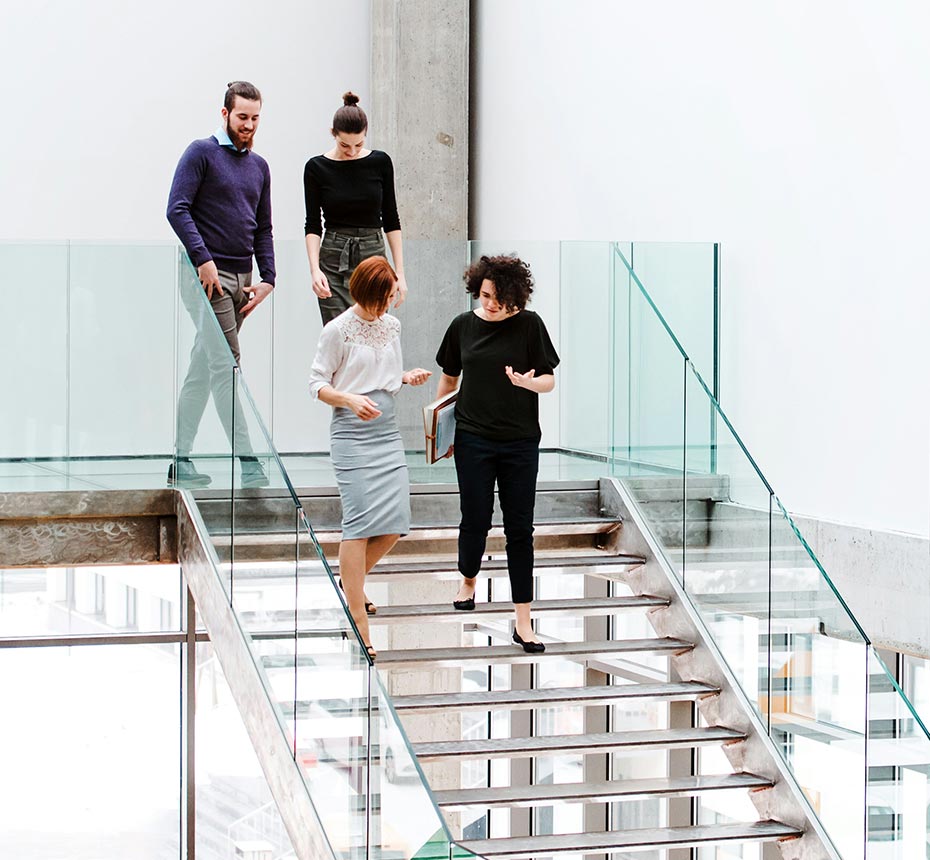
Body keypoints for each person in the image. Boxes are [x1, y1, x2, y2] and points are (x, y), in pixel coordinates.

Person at [435, 255, 560, 653]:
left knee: (520, 530)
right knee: (475, 518)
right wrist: (441, 431)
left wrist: (528, 382)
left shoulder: (530, 325)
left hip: (521, 442)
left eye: (498, 298)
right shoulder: (462, 326)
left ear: (515, 298)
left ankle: (523, 620)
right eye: (485, 295)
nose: (489, 303)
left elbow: (550, 381)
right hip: (472, 438)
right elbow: (449, 378)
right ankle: (468, 580)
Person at [308, 256, 430, 659]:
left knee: (395, 523)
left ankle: (350, 585)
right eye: (384, 298)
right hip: (351, 432)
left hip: (386, 430)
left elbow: (386, 377)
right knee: (358, 524)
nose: (388, 306)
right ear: (367, 293)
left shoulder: (391, 326)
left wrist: (406, 377)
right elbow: (317, 384)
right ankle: (359, 621)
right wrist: (348, 399)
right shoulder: (337, 330)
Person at [167, 80, 274, 489]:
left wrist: (269, 278)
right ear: (225, 113)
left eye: (255, 118)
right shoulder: (201, 153)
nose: (248, 125)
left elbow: (263, 226)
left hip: (242, 279)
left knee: (204, 367)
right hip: (204, 279)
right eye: (242, 116)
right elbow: (176, 209)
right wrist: (203, 259)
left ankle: (181, 457)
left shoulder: (259, 166)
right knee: (226, 363)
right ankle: (249, 461)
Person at [303, 92, 407, 325]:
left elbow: (391, 218)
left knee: (374, 331)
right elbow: (312, 224)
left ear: (366, 135)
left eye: (358, 144)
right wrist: (314, 270)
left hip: (373, 254)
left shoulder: (380, 162)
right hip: (333, 257)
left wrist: (399, 272)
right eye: (344, 145)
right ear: (333, 134)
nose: (351, 151)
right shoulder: (316, 167)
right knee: (337, 333)